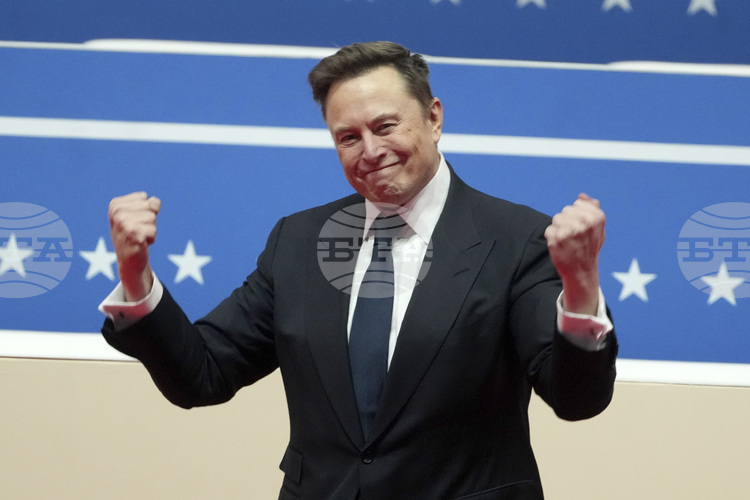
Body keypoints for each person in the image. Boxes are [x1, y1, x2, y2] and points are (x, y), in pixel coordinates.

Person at [100, 41, 617, 500]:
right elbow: (201, 375)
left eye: (385, 126)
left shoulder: (515, 238)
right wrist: (135, 275)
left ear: (434, 118)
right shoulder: (298, 241)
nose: (370, 151)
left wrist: (580, 288)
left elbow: (576, 399)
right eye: (347, 137)